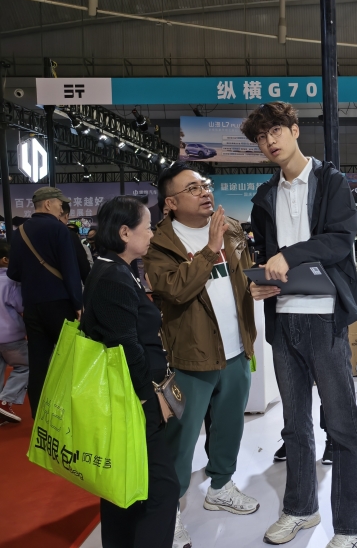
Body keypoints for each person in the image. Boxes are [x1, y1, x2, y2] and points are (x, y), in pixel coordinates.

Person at [242, 102, 357, 548]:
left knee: (342, 424)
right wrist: (262, 281)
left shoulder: (331, 181)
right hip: (284, 319)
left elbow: (339, 240)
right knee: (294, 425)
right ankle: (300, 508)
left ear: (295, 130)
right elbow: (267, 256)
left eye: (275, 131)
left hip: (325, 317)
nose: (270, 142)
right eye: (261, 138)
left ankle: (354, 526)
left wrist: (289, 256)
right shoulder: (266, 195)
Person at [144, 163, 260, 548]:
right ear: (171, 203)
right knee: (182, 436)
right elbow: (174, 290)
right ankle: (170, 509)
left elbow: (242, 277)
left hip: (235, 348)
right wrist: (209, 251)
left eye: (205, 185)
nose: (204, 192)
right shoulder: (160, 245)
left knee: (229, 423)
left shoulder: (231, 229)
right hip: (191, 354)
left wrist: (259, 287)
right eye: (192, 188)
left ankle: (221, 485)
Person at [81, 196, 180, 548]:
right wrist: (151, 398)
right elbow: (126, 346)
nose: (152, 234)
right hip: (132, 401)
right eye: (147, 228)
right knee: (162, 491)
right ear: (125, 232)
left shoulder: (116, 269)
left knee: (125, 489)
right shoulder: (113, 276)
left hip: (127, 398)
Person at [8, 187, 82, 418]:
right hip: (60, 304)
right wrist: (78, 304)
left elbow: (13, 272)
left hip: (32, 305)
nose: (62, 208)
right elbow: (70, 270)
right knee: (69, 359)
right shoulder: (59, 229)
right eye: (60, 203)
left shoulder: (19, 232)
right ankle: (69, 412)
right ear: (48, 204)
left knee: (38, 362)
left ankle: (39, 415)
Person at [0, 241, 28, 423]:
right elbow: (20, 305)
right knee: (27, 365)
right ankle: (5, 400)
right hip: (10, 336)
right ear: (5, 259)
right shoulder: (10, 281)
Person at [59, 203, 92, 280]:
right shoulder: (69, 235)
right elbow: (83, 265)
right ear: (66, 216)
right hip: (65, 282)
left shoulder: (38, 231)